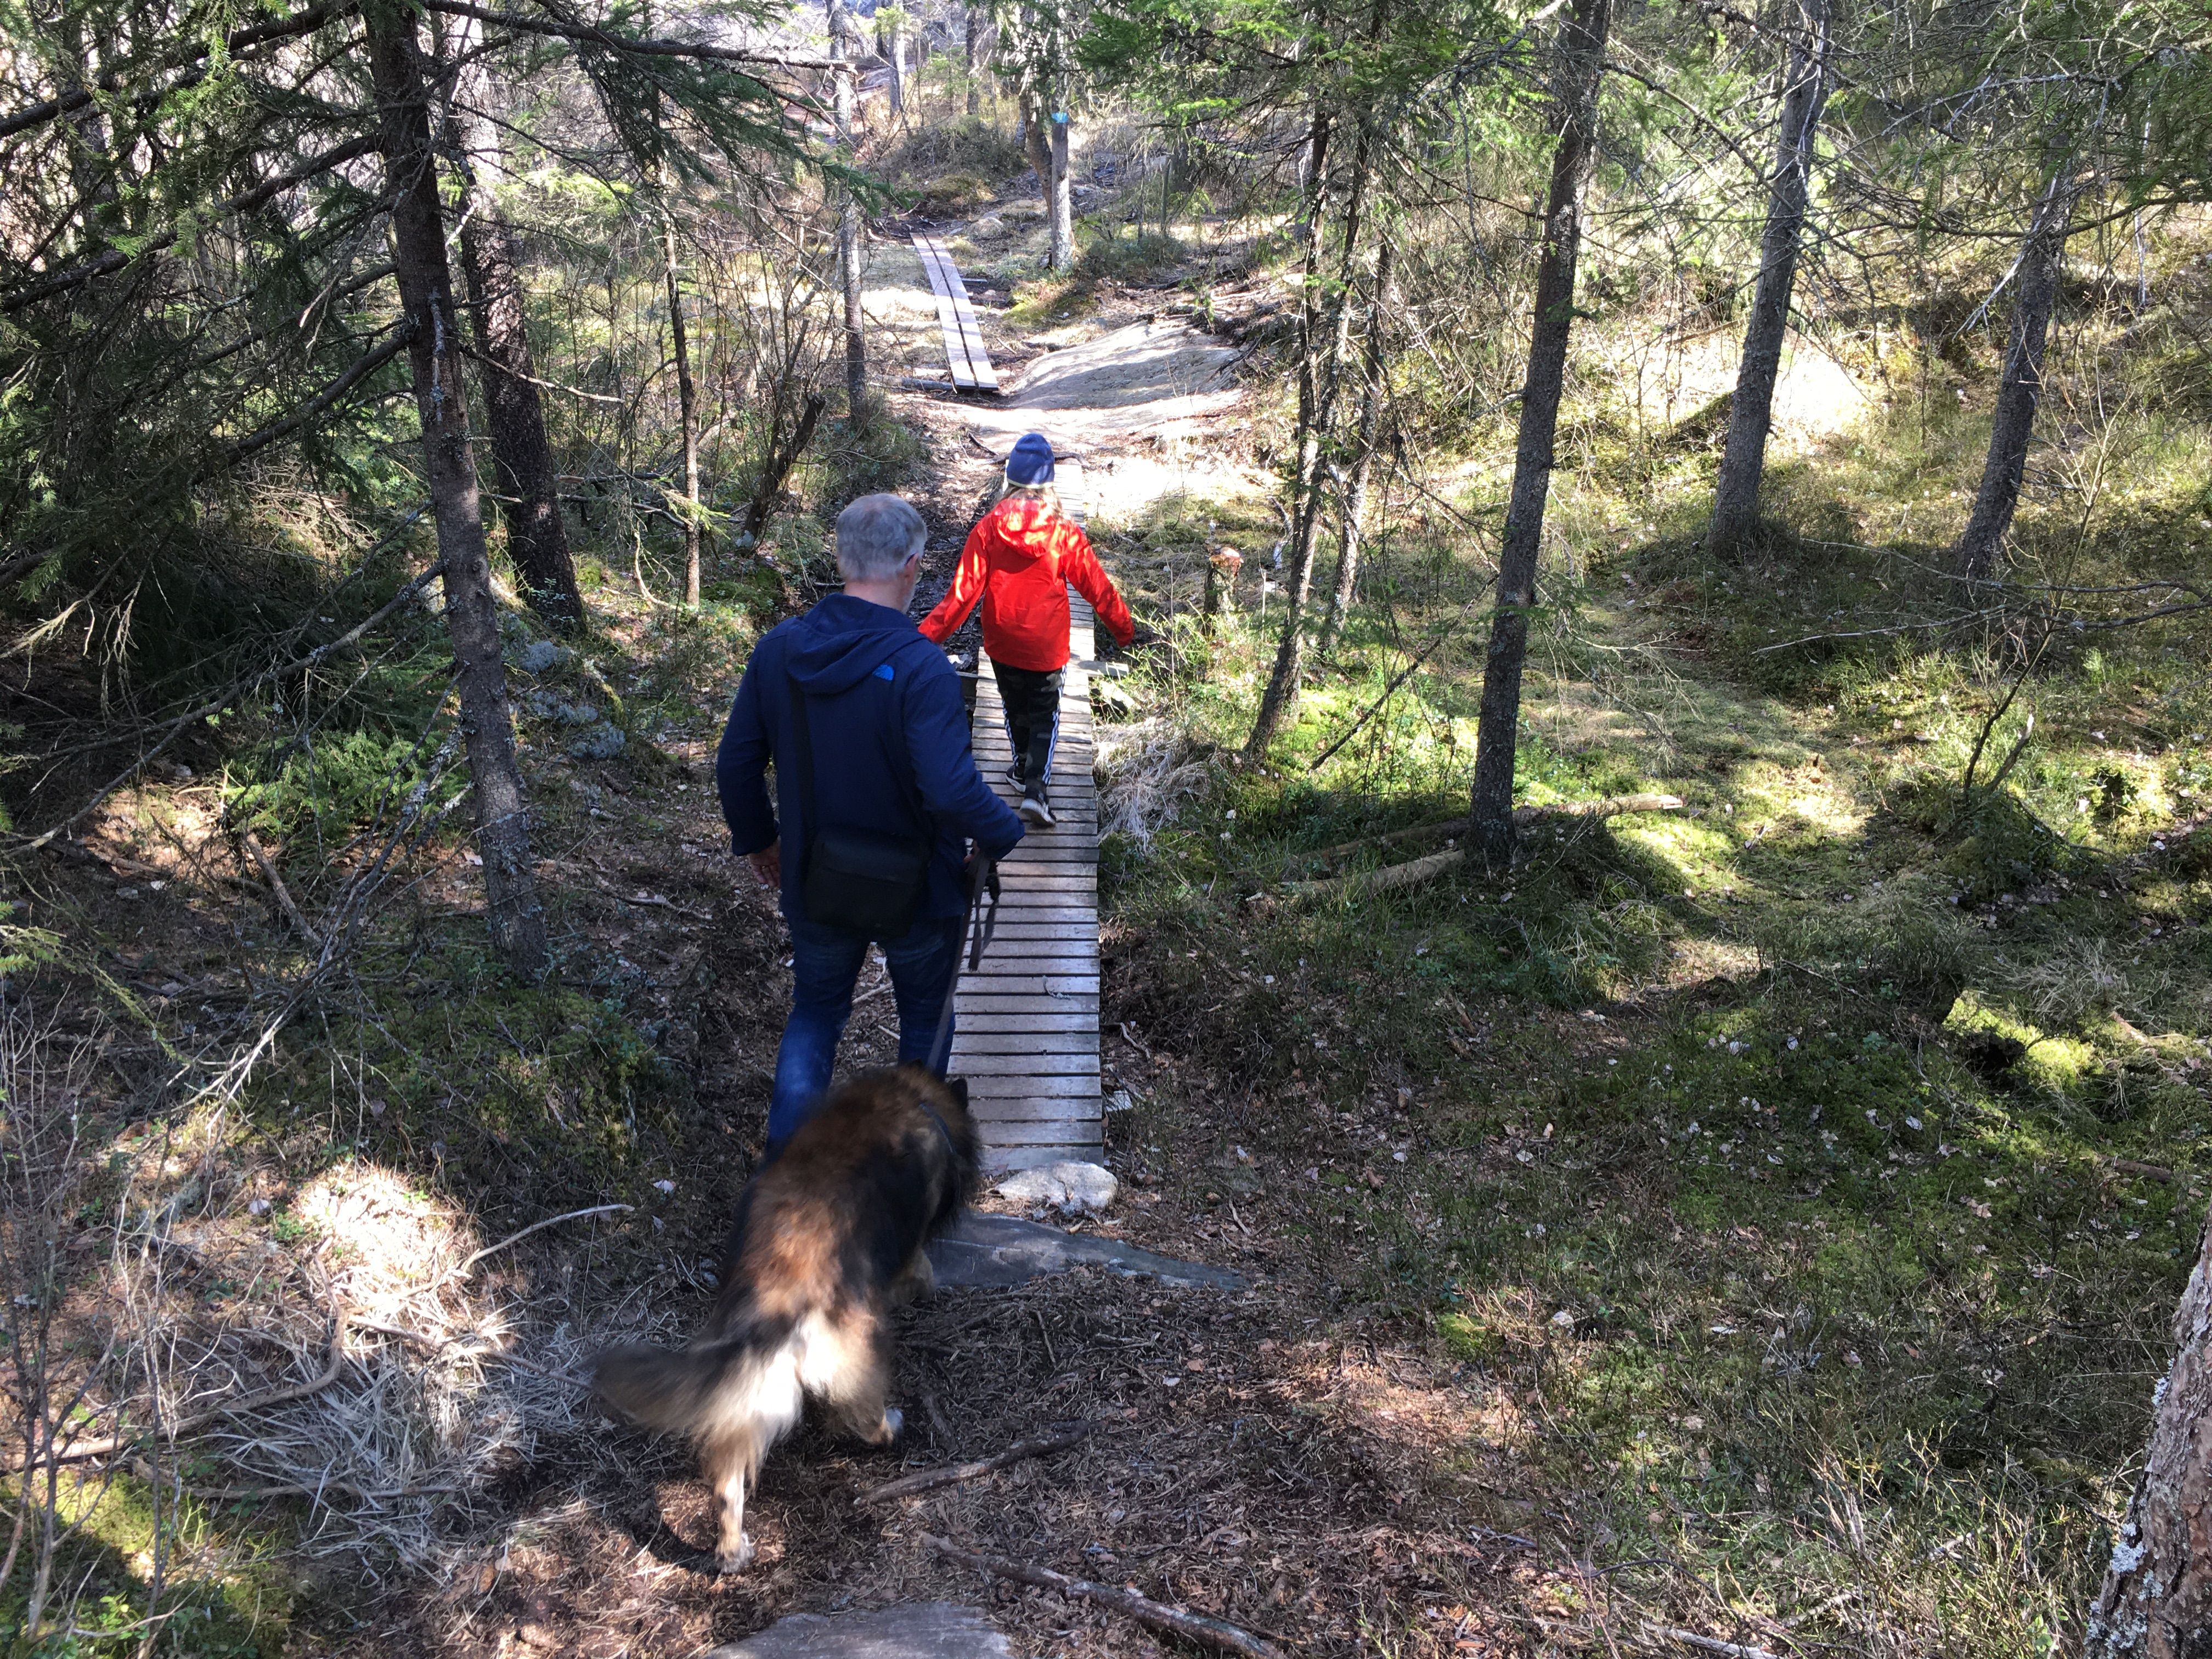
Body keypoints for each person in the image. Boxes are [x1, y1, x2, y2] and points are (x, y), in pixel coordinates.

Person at [716, 493, 1025, 1158]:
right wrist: (1002, 832)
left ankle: (785, 1174)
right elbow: (948, 788)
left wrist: (762, 841)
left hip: (816, 882)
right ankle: (901, 1177)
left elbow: (736, 762)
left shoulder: (780, 652)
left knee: (818, 1014)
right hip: (919, 893)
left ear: (842, 558)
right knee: (924, 1022)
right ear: (913, 566)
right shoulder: (921, 667)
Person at [918, 431, 1136, 828]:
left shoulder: (987, 529)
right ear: (1049, 485)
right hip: (1046, 645)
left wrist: (919, 640)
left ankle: (1020, 769)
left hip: (1001, 641)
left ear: (1009, 481)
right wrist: (1125, 630)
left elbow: (961, 596)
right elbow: (1097, 587)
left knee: (1013, 706)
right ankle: (1035, 789)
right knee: (1044, 715)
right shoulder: (1064, 532)